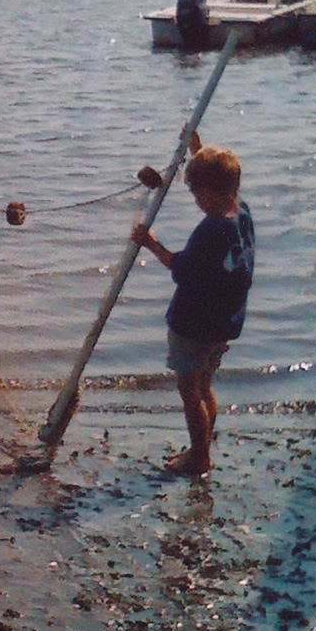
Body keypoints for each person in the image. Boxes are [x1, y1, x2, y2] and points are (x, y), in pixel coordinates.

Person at [132, 139, 255, 477]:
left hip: (195, 324)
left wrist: (150, 243)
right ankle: (202, 447)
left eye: (197, 194)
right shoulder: (241, 213)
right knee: (205, 385)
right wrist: (197, 151)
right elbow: (218, 174)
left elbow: (181, 268)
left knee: (190, 392)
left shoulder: (212, 229)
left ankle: (200, 457)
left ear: (212, 193)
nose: (197, 201)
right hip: (223, 322)